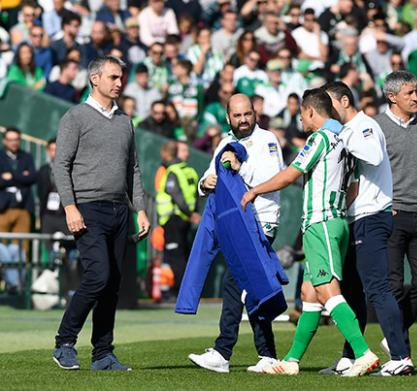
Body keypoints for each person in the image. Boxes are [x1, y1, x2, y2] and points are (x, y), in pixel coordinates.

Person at [240, 88, 379, 377]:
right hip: (336, 222)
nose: (300, 119)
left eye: (302, 113)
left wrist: (254, 190)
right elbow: (353, 186)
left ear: (312, 112)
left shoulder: (320, 138)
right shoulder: (345, 139)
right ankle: (291, 360)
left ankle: (363, 352)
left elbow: (291, 173)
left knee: (328, 290)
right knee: (309, 293)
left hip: (321, 223)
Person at [52, 56, 150, 371]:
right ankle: (64, 342)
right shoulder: (75, 117)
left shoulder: (125, 121)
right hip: (87, 209)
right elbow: (61, 165)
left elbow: (132, 169)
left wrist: (141, 210)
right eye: (113, 77)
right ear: (95, 79)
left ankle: (103, 354)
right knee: (98, 276)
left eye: (121, 77)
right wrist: (70, 207)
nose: (120, 82)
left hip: (120, 210)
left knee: (113, 285)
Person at [320, 81, 413, 376]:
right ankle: (350, 356)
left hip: (371, 216)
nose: (326, 112)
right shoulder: (348, 130)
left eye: (330, 105)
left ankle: (400, 356)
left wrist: (341, 137)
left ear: (345, 101)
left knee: (377, 288)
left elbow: (372, 156)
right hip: (355, 218)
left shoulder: (364, 126)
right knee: (352, 292)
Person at [188, 94, 284, 374]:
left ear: (256, 114)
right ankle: (267, 355)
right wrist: (205, 183)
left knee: (235, 286)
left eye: (247, 114)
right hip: (233, 225)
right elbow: (208, 177)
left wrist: (237, 166)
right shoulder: (225, 142)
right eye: (237, 115)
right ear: (228, 117)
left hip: (259, 222)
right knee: (250, 289)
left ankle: (223, 351)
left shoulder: (267, 140)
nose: (243, 120)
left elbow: (271, 178)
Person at [374, 71, 417, 353]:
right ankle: (398, 345)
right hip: (392, 215)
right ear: (392, 97)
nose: (416, 98)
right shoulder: (376, 127)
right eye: (409, 94)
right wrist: (384, 205)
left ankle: (394, 331)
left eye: (416, 92)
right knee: (393, 286)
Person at [155, 141, 199, 296]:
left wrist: (189, 213)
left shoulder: (172, 171)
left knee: (176, 257)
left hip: (174, 219)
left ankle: (183, 292)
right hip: (185, 220)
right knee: (181, 254)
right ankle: (175, 290)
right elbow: (195, 195)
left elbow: (176, 195)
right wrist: (193, 213)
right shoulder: (190, 170)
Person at [0, 128, 37, 252]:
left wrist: (10, 176)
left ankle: (21, 272)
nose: (13, 143)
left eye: (16, 139)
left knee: (22, 249)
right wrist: (22, 176)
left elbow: (32, 177)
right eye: (10, 140)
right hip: (3, 209)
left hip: (23, 208)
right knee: (2, 249)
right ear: (4, 141)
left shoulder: (26, 156)